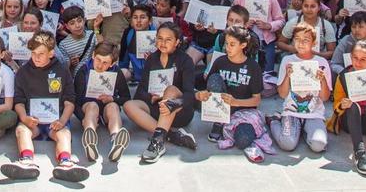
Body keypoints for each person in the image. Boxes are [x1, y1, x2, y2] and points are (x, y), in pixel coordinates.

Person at [0, 31, 89, 182]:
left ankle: (65, 163)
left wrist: (62, 120)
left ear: (51, 53)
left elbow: (69, 101)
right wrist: (24, 118)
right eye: (33, 53)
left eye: (41, 53)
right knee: (21, 130)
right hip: (32, 121)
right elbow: (19, 101)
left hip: (56, 121)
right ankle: (27, 161)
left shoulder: (62, 70)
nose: (36, 57)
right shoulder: (23, 72)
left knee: (64, 134)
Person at [123, 21, 198, 163]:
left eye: (168, 39)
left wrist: (171, 101)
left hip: (179, 109)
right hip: (157, 108)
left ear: (177, 42)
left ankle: (157, 142)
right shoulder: (151, 59)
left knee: (170, 89)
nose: (163, 43)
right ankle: (171, 135)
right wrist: (150, 97)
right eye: (159, 38)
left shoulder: (186, 60)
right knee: (129, 105)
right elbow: (141, 91)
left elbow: (190, 94)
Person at [198, 26, 270, 162]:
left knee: (243, 141)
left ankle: (265, 123)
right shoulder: (220, 61)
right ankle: (219, 123)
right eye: (226, 43)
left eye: (232, 44)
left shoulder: (253, 67)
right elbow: (211, 86)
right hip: (221, 108)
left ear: (243, 45)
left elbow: (256, 100)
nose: (227, 47)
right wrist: (203, 96)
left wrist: (236, 102)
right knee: (213, 79)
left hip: (244, 111)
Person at [326, 39, 366, 176]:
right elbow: (336, 108)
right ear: (350, 58)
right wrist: (342, 105)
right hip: (349, 121)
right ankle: (360, 153)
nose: (358, 62)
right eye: (355, 58)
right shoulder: (343, 77)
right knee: (353, 105)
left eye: (363, 59)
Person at [270, 22, 332, 153]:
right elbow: (282, 94)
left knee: (318, 145)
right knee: (287, 144)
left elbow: (325, 97)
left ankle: (305, 130)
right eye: (297, 39)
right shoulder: (287, 60)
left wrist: (323, 81)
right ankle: (274, 121)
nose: (301, 43)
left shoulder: (321, 63)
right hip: (291, 111)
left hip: (314, 113)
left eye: (306, 40)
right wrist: (287, 76)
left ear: (314, 43)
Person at [73, 41, 131, 163]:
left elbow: (126, 97)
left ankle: (116, 140)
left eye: (105, 63)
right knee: (92, 106)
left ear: (112, 63)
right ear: (93, 55)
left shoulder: (116, 72)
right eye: (98, 60)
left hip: (106, 108)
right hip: (88, 109)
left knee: (113, 106)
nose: (100, 65)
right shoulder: (83, 71)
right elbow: (75, 100)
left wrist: (114, 99)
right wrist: (82, 118)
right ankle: (90, 140)